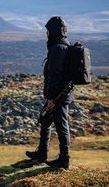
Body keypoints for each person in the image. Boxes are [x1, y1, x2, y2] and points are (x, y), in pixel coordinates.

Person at [25, 16, 73, 169]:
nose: (46, 34)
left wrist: (51, 98)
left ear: (54, 32)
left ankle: (64, 160)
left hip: (58, 95)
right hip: (60, 93)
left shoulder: (58, 49)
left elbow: (55, 75)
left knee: (61, 126)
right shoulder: (64, 46)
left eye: (48, 31)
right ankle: (42, 153)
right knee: (45, 120)